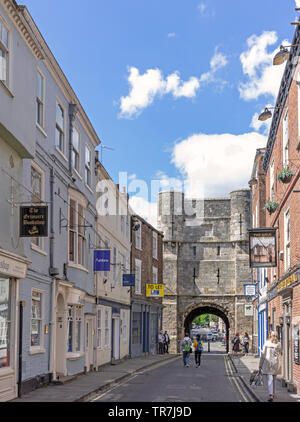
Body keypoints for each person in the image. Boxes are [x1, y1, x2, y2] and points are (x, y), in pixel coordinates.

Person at [259, 331, 282, 402]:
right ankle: (273, 394)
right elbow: (280, 352)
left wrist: (260, 364)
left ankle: (271, 395)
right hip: (276, 363)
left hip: (268, 363)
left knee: (270, 379)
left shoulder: (267, 343)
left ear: (270, 336)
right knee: (273, 379)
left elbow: (263, 355)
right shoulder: (278, 344)